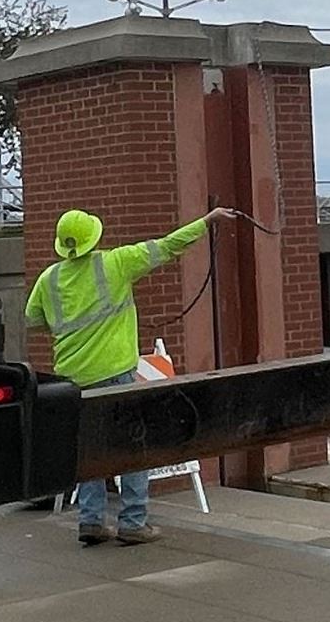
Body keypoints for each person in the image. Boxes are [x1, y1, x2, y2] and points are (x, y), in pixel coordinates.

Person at [24, 206, 231, 545]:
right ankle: (133, 522)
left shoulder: (50, 279)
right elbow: (167, 246)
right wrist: (206, 222)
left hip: (72, 377)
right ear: (95, 237)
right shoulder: (116, 263)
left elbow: (33, 319)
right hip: (116, 373)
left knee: (88, 450)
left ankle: (90, 520)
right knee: (133, 446)